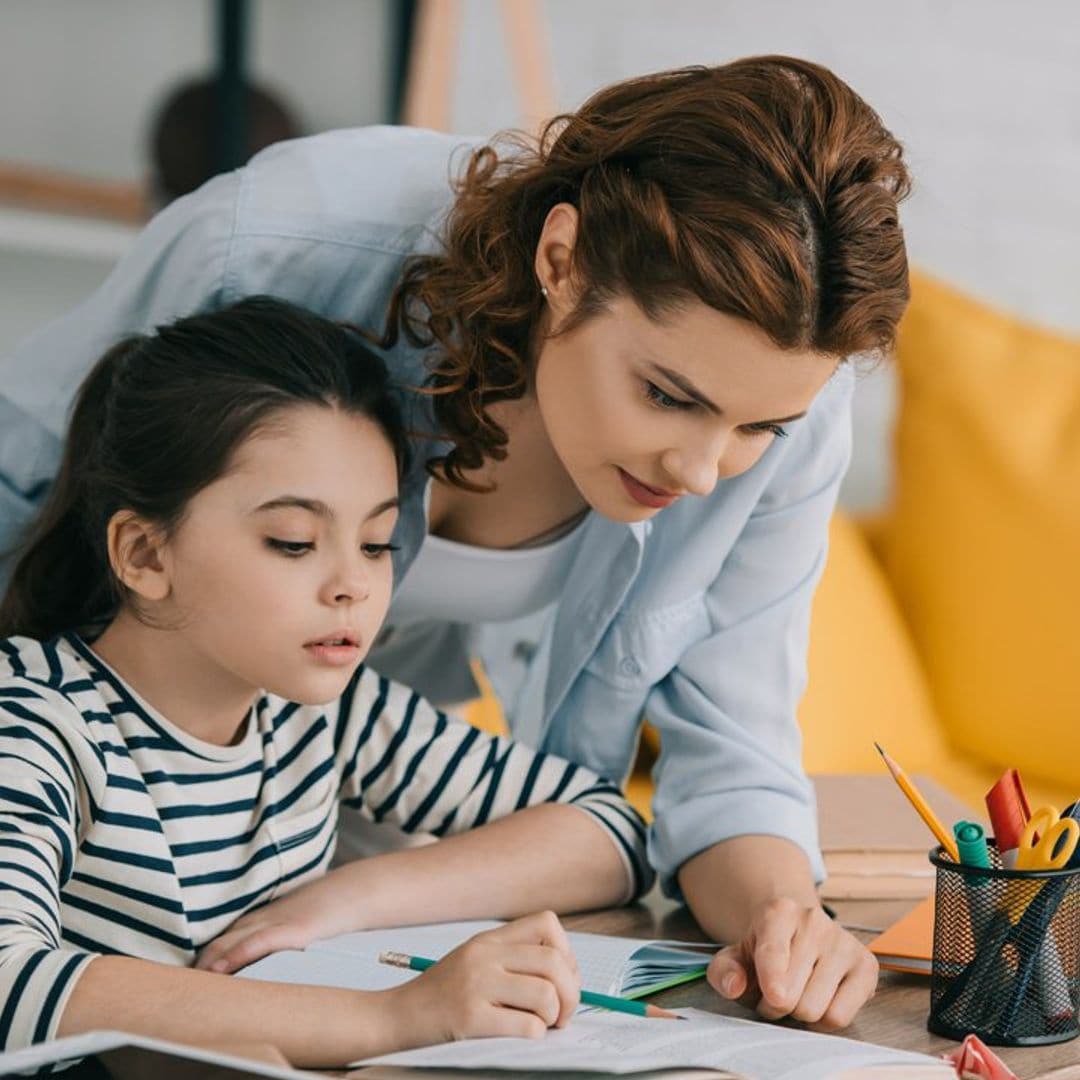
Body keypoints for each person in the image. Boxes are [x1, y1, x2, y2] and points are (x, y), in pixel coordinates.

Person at [0, 55, 911, 1028]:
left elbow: (712, 759)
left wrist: (784, 919)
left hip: (325, 865)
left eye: (758, 430)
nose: (699, 472)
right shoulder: (270, 244)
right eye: (668, 396)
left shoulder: (334, 715)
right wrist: (388, 1018)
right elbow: (36, 490)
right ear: (563, 262)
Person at [0, 298, 651, 1066]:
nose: (353, 585)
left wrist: (346, 898)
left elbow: (609, 829)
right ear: (145, 554)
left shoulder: (324, 712)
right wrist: (397, 1017)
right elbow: (10, 986)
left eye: (377, 543)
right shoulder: (37, 720)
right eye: (294, 541)